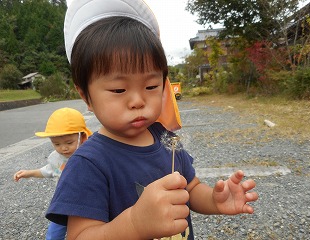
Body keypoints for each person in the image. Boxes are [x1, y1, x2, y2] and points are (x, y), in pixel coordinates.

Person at [46, 0, 259, 239]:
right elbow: (79, 236)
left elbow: (191, 188)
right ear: (85, 95)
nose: (138, 100)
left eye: (151, 86)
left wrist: (214, 200)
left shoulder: (167, 139)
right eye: (118, 90)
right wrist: (134, 223)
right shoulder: (88, 164)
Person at [14, 107, 92, 240]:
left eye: (69, 142)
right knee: (53, 233)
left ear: (82, 136)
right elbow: (48, 171)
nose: (63, 148)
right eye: (56, 144)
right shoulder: (56, 158)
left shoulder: (90, 155)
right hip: (63, 203)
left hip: (86, 204)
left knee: (86, 232)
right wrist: (29, 173)